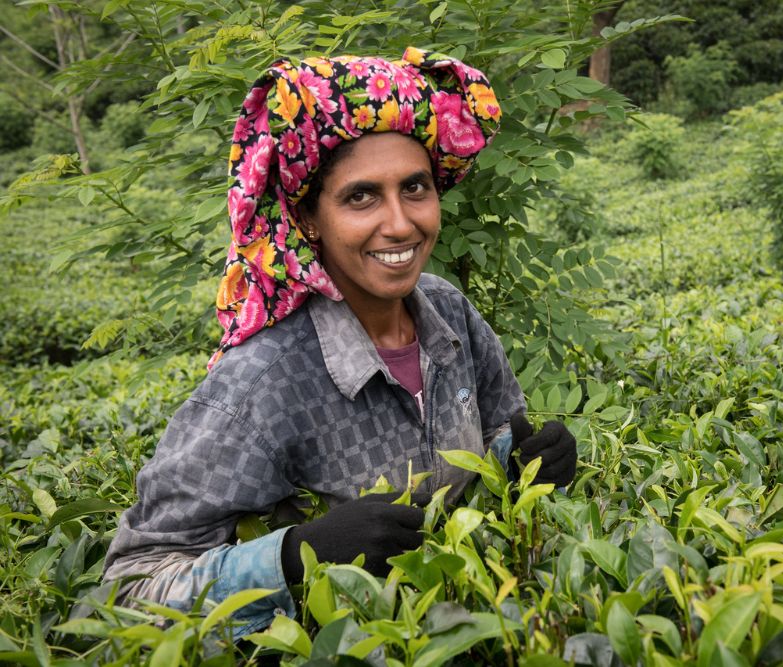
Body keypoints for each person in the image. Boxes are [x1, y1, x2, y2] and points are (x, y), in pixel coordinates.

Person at [101, 47, 577, 638]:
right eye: (361, 197)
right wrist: (294, 559)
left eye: (415, 188)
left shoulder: (448, 312)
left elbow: (499, 436)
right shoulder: (263, 379)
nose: (400, 223)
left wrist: (525, 461)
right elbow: (128, 587)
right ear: (306, 218)